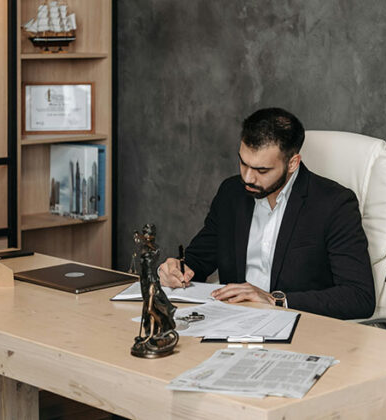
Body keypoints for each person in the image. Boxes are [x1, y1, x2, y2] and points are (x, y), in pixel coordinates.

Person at [158, 108, 374, 320]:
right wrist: (178, 269)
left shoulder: (334, 204)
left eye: (262, 170)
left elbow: (359, 297)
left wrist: (276, 300)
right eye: (243, 163)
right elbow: (199, 259)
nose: (248, 178)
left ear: (292, 163)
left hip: (301, 329)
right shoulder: (231, 193)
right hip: (231, 324)